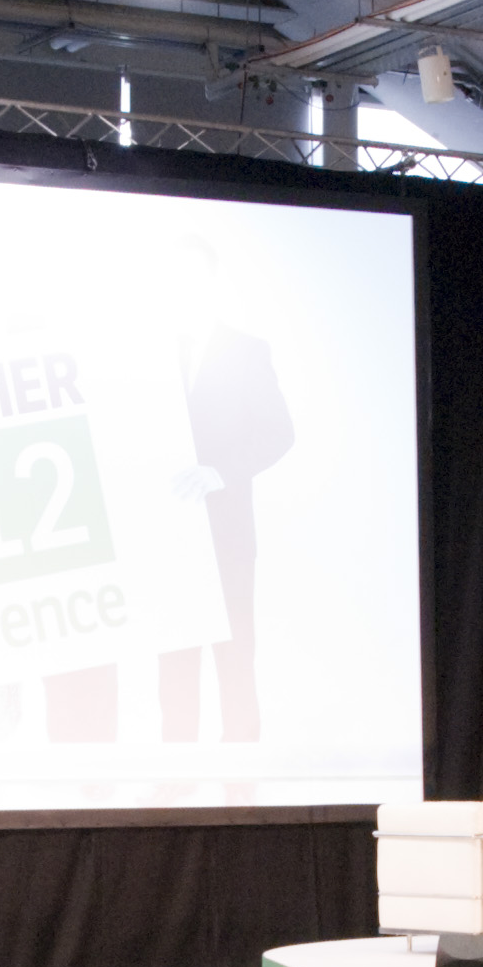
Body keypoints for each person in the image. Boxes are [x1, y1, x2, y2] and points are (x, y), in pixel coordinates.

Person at [162, 238, 293, 742]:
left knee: (236, 656)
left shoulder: (246, 350)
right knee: (174, 663)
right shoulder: (147, 355)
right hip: (169, 538)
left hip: (228, 534)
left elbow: (280, 431)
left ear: (210, 282)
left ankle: (244, 779)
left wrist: (221, 472)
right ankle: (177, 778)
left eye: (193, 275)